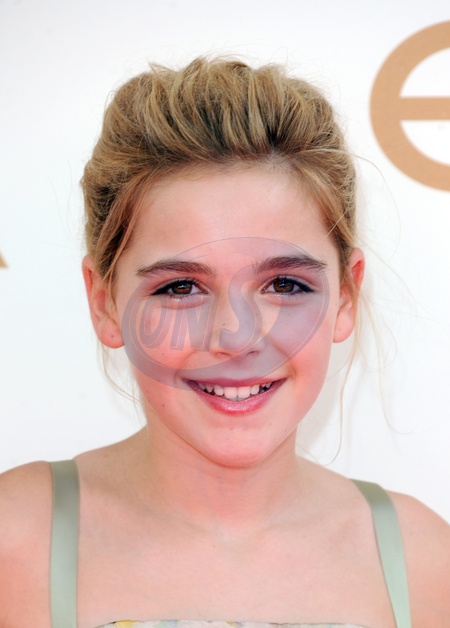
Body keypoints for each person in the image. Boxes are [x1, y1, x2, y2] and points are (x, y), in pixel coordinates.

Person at [0, 57, 449, 628]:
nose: (237, 337)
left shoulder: (424, 561)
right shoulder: (14, 540)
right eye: (181, 287)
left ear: (345, 297)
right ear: (104, 302)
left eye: (284, 285)